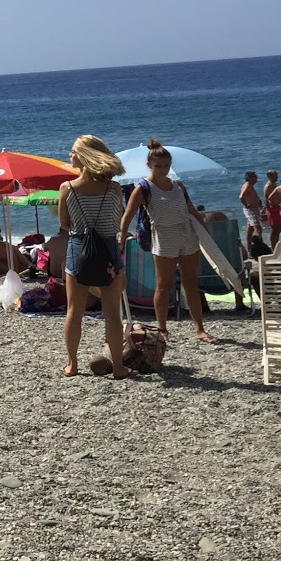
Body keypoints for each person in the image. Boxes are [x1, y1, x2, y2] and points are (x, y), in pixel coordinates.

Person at [119, 139, 215, 344]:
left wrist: (206, 231)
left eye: (166, 166)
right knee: (164, 285)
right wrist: (121, 236)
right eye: (158, 166)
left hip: (186, 233)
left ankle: (199, 328)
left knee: (191, 283)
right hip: (163, 236)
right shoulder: (143, 188)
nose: (163, 170)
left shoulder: (178, 185)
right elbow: (128, 214)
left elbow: (190, 209)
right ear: (150, 165)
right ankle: (162, 329)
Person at [59, 135, 128, 378]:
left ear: (84, 155)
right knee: (112, 314)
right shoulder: (114, 189)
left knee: (74, 312)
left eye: (73, 152)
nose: (70, 155)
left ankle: (72, 365)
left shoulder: (67, 189)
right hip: (108, 251)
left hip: (79, 251)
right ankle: (118, 367)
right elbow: (116, 222)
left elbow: (64, 224)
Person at [240, 171, 265, 247]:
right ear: (249, 178)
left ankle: (249, 248)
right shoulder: (247, 186)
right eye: (254, 177)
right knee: (258, 228)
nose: (256, 178)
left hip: (253, 209)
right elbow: (241, 197)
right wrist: (246, 205)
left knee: (250, 229)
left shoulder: (250, 186)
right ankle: (260, 246)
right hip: (251, 209)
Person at [265, 171, 281, 245]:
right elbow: (266, 198)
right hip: (272, 208)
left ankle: (276, 243)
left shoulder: (274, 185)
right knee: (275, 228)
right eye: (275, 176)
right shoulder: (268, 186)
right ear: (270, 176)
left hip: (276, 207)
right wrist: (269, 210)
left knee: (279, 228)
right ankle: (273, 245)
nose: (277, 177)